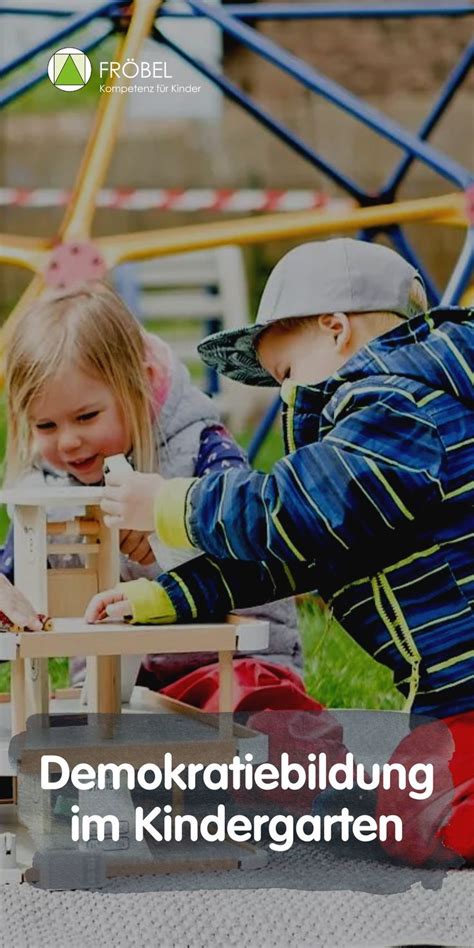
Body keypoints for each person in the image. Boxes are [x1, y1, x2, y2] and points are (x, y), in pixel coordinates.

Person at [87, 238, 474, 865]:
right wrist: (161, 597)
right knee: (404, 805)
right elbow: (287, 555)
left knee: (417, 819)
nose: (288, 399)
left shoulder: (397, 409)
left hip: (468, 682)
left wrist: (168, 504)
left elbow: (287, 508)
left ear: (335, 329)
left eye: (287, 374)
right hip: (456, 686)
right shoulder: (370, 442)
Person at [0, 281, 301, 701]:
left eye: (86, 416)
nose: (67, 441)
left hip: (231, 665)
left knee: (249, 716)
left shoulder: (199, 446)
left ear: (139, 386)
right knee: (86, 730)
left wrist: (169, 527)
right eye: (45, 426)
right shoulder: (46, 486)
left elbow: (250, 537)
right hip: (115, 680)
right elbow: (12, 572)